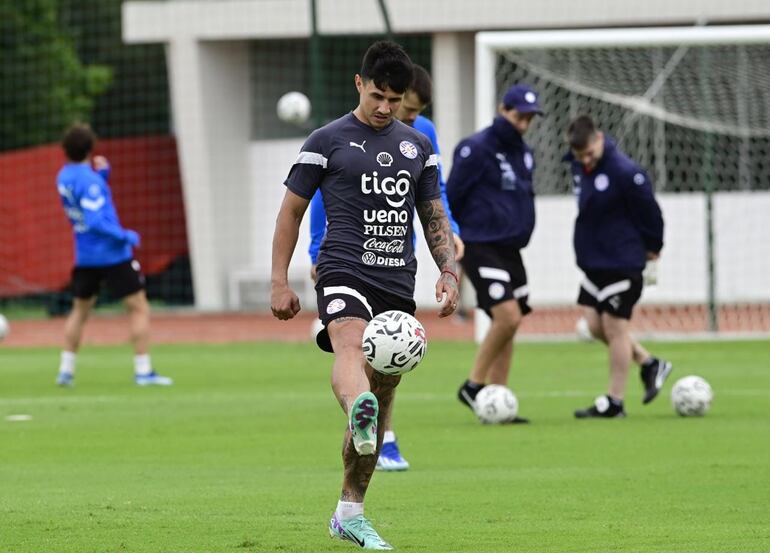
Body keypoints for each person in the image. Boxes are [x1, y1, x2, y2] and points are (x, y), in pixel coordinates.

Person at [271, 41, 459, 550]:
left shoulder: (417, 146)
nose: (384, 108)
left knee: (386, 388)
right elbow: (290, 210)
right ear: (359, 84)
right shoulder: (326, 140)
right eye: (377, 96)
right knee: (350, 347)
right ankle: (359, 406)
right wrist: (279, 280)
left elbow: (432, 212)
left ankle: (349, 511)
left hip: (397, 280)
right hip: (343, 268)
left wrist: (449, 270)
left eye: (394, 101)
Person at [307, 64, 464, 473]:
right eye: (399, 106)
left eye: (410, 111)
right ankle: (380, 433)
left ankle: (376, 442)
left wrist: (451, 237)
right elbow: (320, 196)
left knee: (389, 360)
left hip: (397, 260)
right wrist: (314, 249)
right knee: (354, 344)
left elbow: (434, 190)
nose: (402, 116)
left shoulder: (420, 135)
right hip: (347, 256)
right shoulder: (340, 139)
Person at [564, 114, 672, 418]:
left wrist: (654, 250)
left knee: (614, 327)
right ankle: (650, 363)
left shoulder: (625, 172)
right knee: (596, 327)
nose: (585, 160)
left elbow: (652, 214)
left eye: (589, 154)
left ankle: (615, 402)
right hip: (593, 263)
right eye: (579, 155)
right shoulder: (578, 164)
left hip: (623, 262)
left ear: (599, 138)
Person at [447, 84, 542, 424]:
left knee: (511, 321)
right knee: (508, 317)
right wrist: (451, 240)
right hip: (479, 243)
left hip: (510, 248)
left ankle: (498, 398)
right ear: (503, 110)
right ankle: (474, 385)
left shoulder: (524, 153)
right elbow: (451, 196)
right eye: (519, 116)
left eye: (529, 118)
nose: (523, 124)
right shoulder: (476, 148)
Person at [55, 123, 172, 388]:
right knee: (139, 308)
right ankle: (143, 371)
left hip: (84, 256)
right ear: (90, 148)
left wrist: (102, 178)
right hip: (112, 255)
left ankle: (66, 370)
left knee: (79, 312)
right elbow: (95, 220)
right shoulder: (90, 180)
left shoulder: (64, 176)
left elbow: (85, 202)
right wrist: (124, 236)